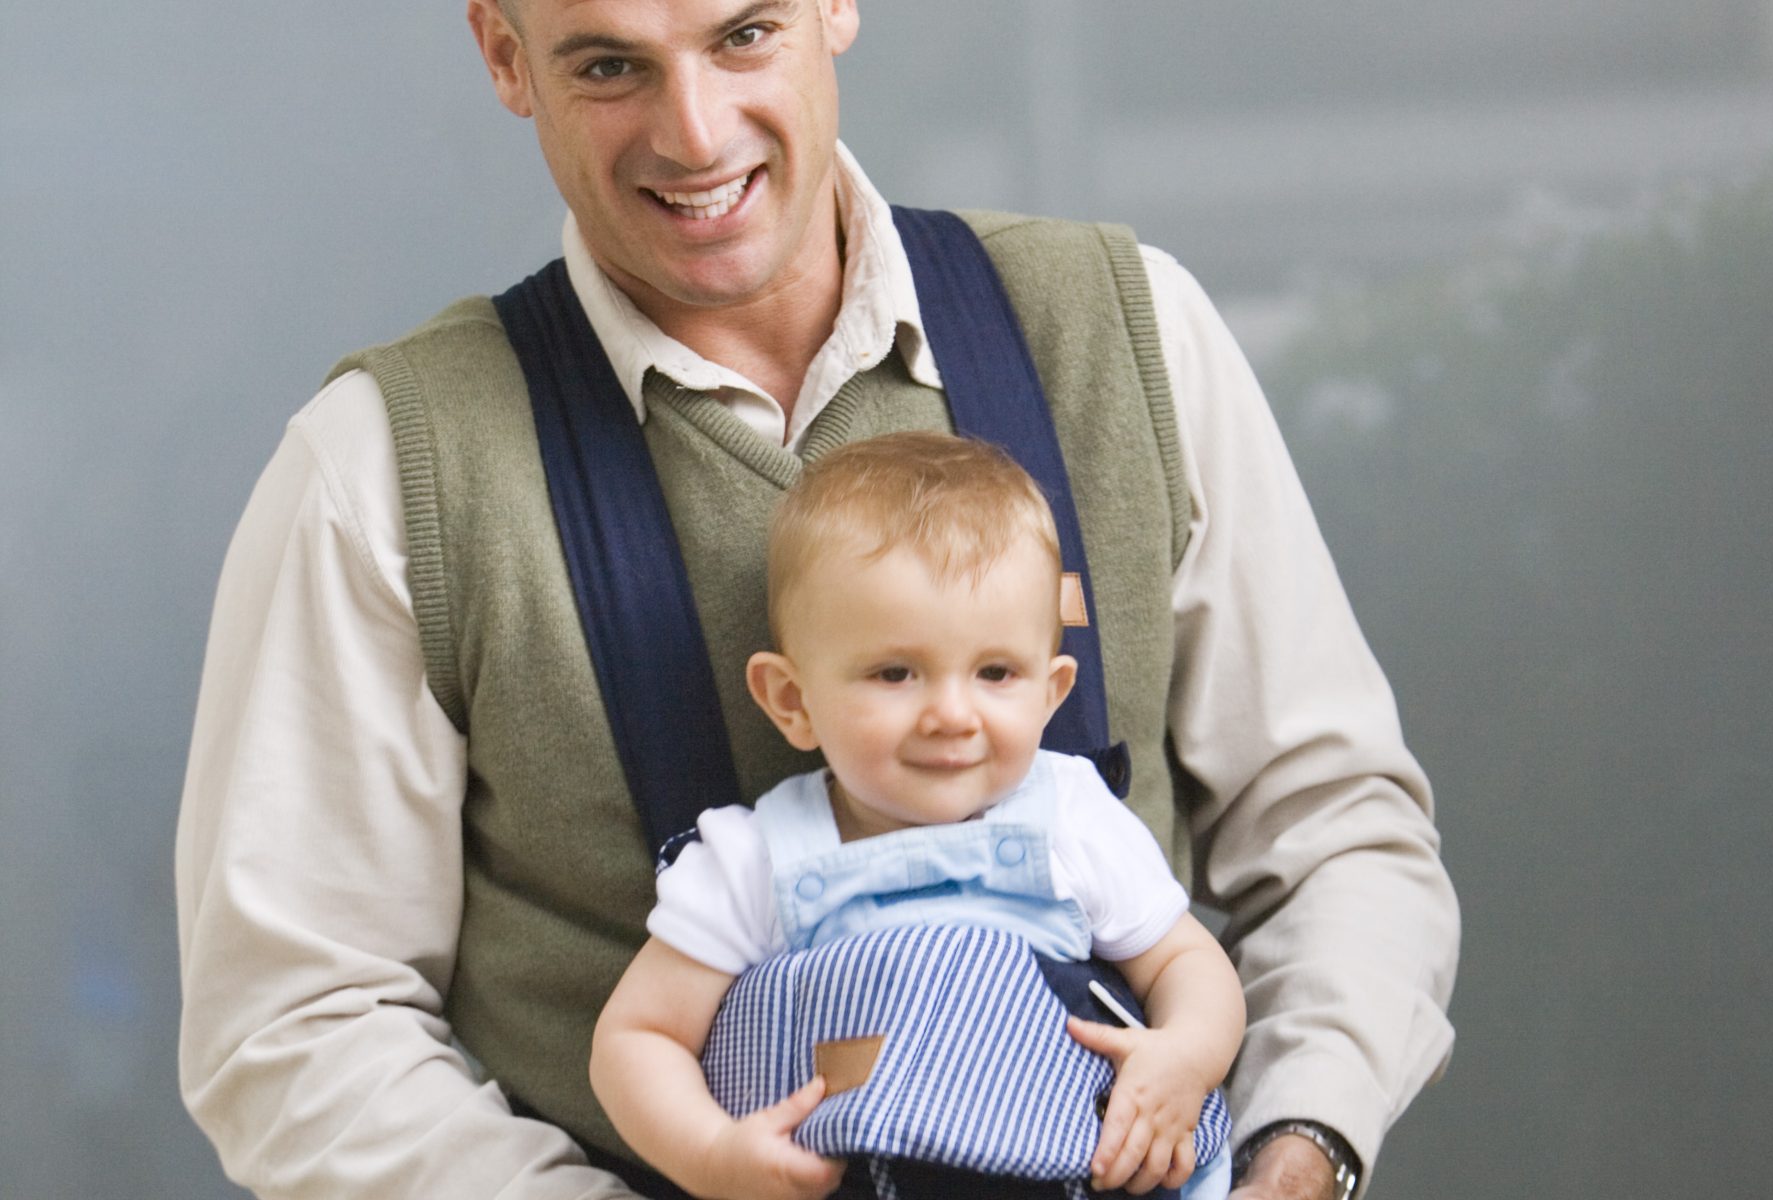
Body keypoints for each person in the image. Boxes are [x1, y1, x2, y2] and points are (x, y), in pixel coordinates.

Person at [175, 1, 1461, 1198]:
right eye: (608, 64)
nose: (695, 133)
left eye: (743, 34)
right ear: (505, 57)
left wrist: (1295, 1153)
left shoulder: (1129, 332)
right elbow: (294, 1024)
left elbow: (1334, 828)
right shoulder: (377, 471)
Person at [591, 433, 1243, 1200]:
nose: (951, 714)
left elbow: (1185, 963)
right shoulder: (755, 857)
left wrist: (1185, 1055)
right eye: (896, 673)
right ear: (791, 701)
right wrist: (709, 1154)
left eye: (996, 673)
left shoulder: (1068, 817)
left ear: (1050, 692)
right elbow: (639, 1037)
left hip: (1069, 1165)